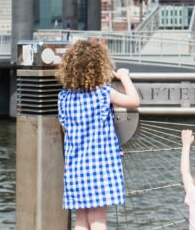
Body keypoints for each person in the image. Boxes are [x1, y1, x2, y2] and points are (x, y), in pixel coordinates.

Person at [57, 39, 141, 230]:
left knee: (80, 219)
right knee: (98, 220)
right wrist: (124, 76)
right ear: (100, 66)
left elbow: (64, 128)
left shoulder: (64, 98)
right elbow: (134, 101)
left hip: (75, 168)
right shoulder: (103, 93)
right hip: (100, 166)